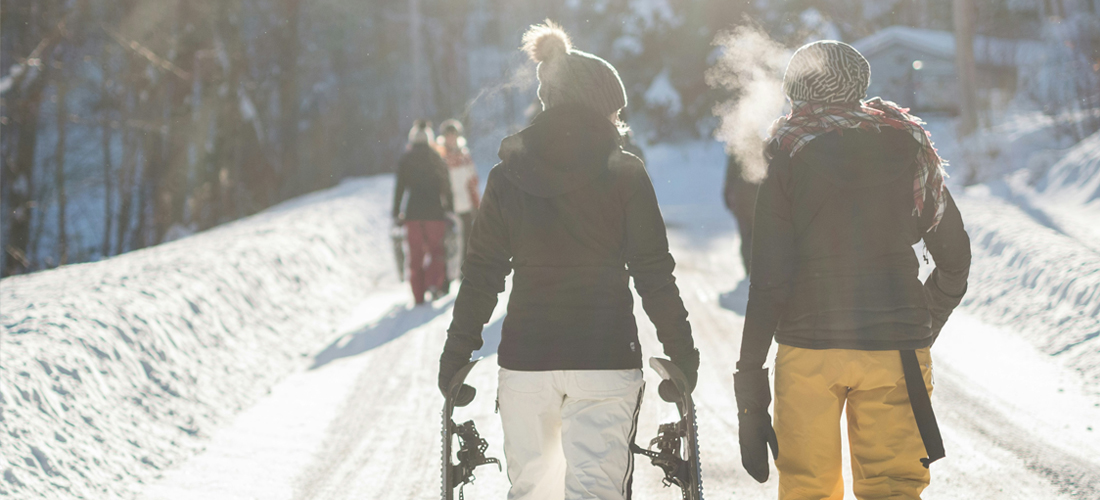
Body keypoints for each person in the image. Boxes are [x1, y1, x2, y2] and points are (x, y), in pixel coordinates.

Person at [437, 21, 699, 500]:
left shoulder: (507, 173)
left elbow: (481, 275)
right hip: (606, 357)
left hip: (527, 361)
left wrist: (457, 352)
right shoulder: (624, 172)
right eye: (616, 109)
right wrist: (682, 351)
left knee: (532, 491)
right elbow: (654, 274)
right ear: (600, 105)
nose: (620, 119)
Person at [733, 41, 971, 500]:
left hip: (808, 351)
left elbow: (769, 283)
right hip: (896, 350)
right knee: (893, 489)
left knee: (808, 489)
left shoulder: (787, 156)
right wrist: (922, 320)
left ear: (796, 91)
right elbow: (955, 259)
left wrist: (749, 382)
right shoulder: (909, 147)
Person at [393, 120, 454, 305]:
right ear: (430, 138)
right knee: (436, 251)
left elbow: (400, 188)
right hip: (435, 213)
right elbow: (447, 186)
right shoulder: (437, 157)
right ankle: (433, 284)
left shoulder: (406, 159)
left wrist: (396, 212)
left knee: (415, 255)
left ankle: (418, 295)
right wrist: (450, 209)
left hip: (412, 215)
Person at [437, 119, 481, 271]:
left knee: (467, 243)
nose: (451, 138)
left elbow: (473, 181)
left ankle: (464, 274)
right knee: (448, 244)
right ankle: (447, 278)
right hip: (448, 207)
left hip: (466, 206)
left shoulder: (464, 155)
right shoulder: (440, 156)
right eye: (448, 135)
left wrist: (477, 204)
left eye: (454, 135)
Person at [723, 154, 760, 276]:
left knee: (745, 235)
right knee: (759, 235)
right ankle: (757, 267)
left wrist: (727, 198)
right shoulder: (763, 141)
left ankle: (749, 268)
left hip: (740, 197)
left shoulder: (737, 147)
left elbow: (730, 176)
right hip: (756, 196)